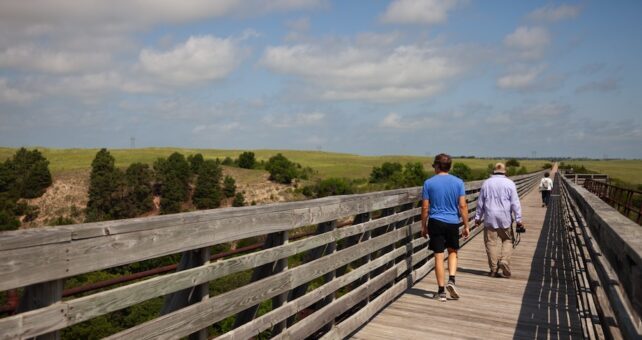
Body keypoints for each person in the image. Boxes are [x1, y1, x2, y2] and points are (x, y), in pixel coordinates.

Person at [421, 153, 470, 302]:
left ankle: (441, 291)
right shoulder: (458, 182)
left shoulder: (428, 183)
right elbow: (462, 205)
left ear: (437, 166)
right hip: (452, 222)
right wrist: (466, 225)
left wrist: (424, 226)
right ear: (449, 166)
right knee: (453, 251)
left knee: (438, 255)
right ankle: (452, 280)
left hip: (435, 222)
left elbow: (425, 208)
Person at [474, 163, 523, 278]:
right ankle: (504, 261)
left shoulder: (486, 183)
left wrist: (477, 217)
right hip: (505, 217)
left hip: (490, 217)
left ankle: (493, 270)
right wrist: (518, 219)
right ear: (505, 172)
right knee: (508, 240)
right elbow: (515, 203)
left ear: (493, 171)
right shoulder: (510, 183)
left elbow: (480, 203)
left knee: (491, 243)